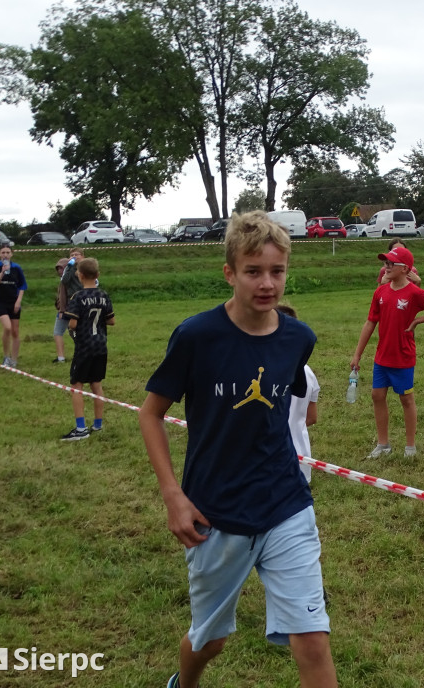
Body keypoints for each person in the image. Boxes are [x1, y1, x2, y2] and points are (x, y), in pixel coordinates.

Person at [138, 212, 336, 688]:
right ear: (229, 272)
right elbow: (150, 414)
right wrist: (173, 497)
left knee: (311, 638)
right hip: (215, 513)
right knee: (211, 642)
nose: (267, 283)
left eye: (277, 271)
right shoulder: (196, 337)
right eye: (253, 271)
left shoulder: (298, 338)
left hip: (285, 503)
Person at [352, 245, 424, 458]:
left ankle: (410, 447)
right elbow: (370, 322)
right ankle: (383, 445)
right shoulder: (380, 292)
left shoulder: (415, 293)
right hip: (382, 356)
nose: (385, 267)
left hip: (403, 357)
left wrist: (418, 320)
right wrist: (357, 354)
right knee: (377, 395)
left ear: (405, 269)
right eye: (384, 263)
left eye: (390, 263)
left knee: (406, 399)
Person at [61, 258, 115, 441]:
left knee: (76, 386)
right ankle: (98, 425)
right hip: (100, 346)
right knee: (96, 384)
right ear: (98, 275)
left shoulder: (77, 297)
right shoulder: (104, 295)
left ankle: (81, 428)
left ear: (79, 275)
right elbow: (111, 320)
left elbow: (73, 324)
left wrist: (73, 325)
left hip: (84, 347)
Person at [277, 304, 321, 483]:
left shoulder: (259, 372)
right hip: (301, 459)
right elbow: (311, 417)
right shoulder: (309, 373)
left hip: (271, 461)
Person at [0, 243, 27, 367]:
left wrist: (18, 301)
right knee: (7, 328)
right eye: (3, 252)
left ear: (11, 254)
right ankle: (6, 357)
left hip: (14, 302)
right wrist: (2, 273)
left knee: (15, 331)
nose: (5, 255)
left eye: (7, 252)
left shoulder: (17, 268)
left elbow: (22, 285)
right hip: (0, 302)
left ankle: (14, 359)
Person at [52, 257, 70, 364]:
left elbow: (64, 297)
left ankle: (61, 358)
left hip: (66, 311)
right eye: (58, 269)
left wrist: (61, 311)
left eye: (62, 268)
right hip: (66, 310)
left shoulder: (65, 281)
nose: (59, 271)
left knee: (58, 332)